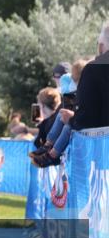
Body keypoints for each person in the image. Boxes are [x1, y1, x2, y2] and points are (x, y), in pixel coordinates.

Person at [32, 24, 109, 166]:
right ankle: (50, 149)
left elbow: (88, 115)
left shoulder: (94, 70)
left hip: (99, 147)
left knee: (67, 123)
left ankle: (51, 152)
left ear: (102, 45)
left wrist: (73, 120)